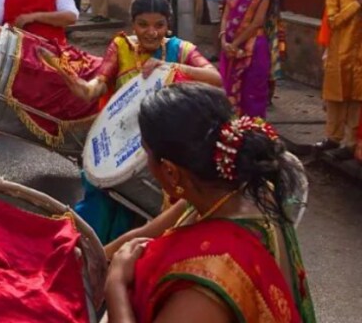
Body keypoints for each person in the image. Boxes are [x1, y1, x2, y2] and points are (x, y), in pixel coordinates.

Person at [104, 84, 315, 323]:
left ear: (171, 172)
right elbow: (142, 234)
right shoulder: (221, 193)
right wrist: (91, 257)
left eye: (147, 154)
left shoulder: (207, 286)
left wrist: (116, 284)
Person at [62, 0, 221, 243]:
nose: (151, 32)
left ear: (168, 25)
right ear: (133, 24)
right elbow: (99, 85)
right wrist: (82, 88)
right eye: (143, 25)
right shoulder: (122, 46)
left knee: (170, 221)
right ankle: (93, 253)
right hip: (123, 147)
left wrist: (173, 68)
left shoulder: (180, 50)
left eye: (159, 25)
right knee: (102, 206)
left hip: (166, 152)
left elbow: (217, 78)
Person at [316, 0, 362, 160]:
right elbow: (333, 22)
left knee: (357, 99)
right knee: (336, 98)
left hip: (360, 57)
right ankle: (332, 137)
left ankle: (350, 143)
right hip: (339, 53)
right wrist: (356, 4)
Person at [219, 0, 276, 118]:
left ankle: (253, 134)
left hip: (252, 46)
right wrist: (223, 40)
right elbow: (226, 15)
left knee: (252, 91)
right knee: (225, 88)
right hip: (229, 45)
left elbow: (257, 21)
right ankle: (231, 131)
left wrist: (234, 44)